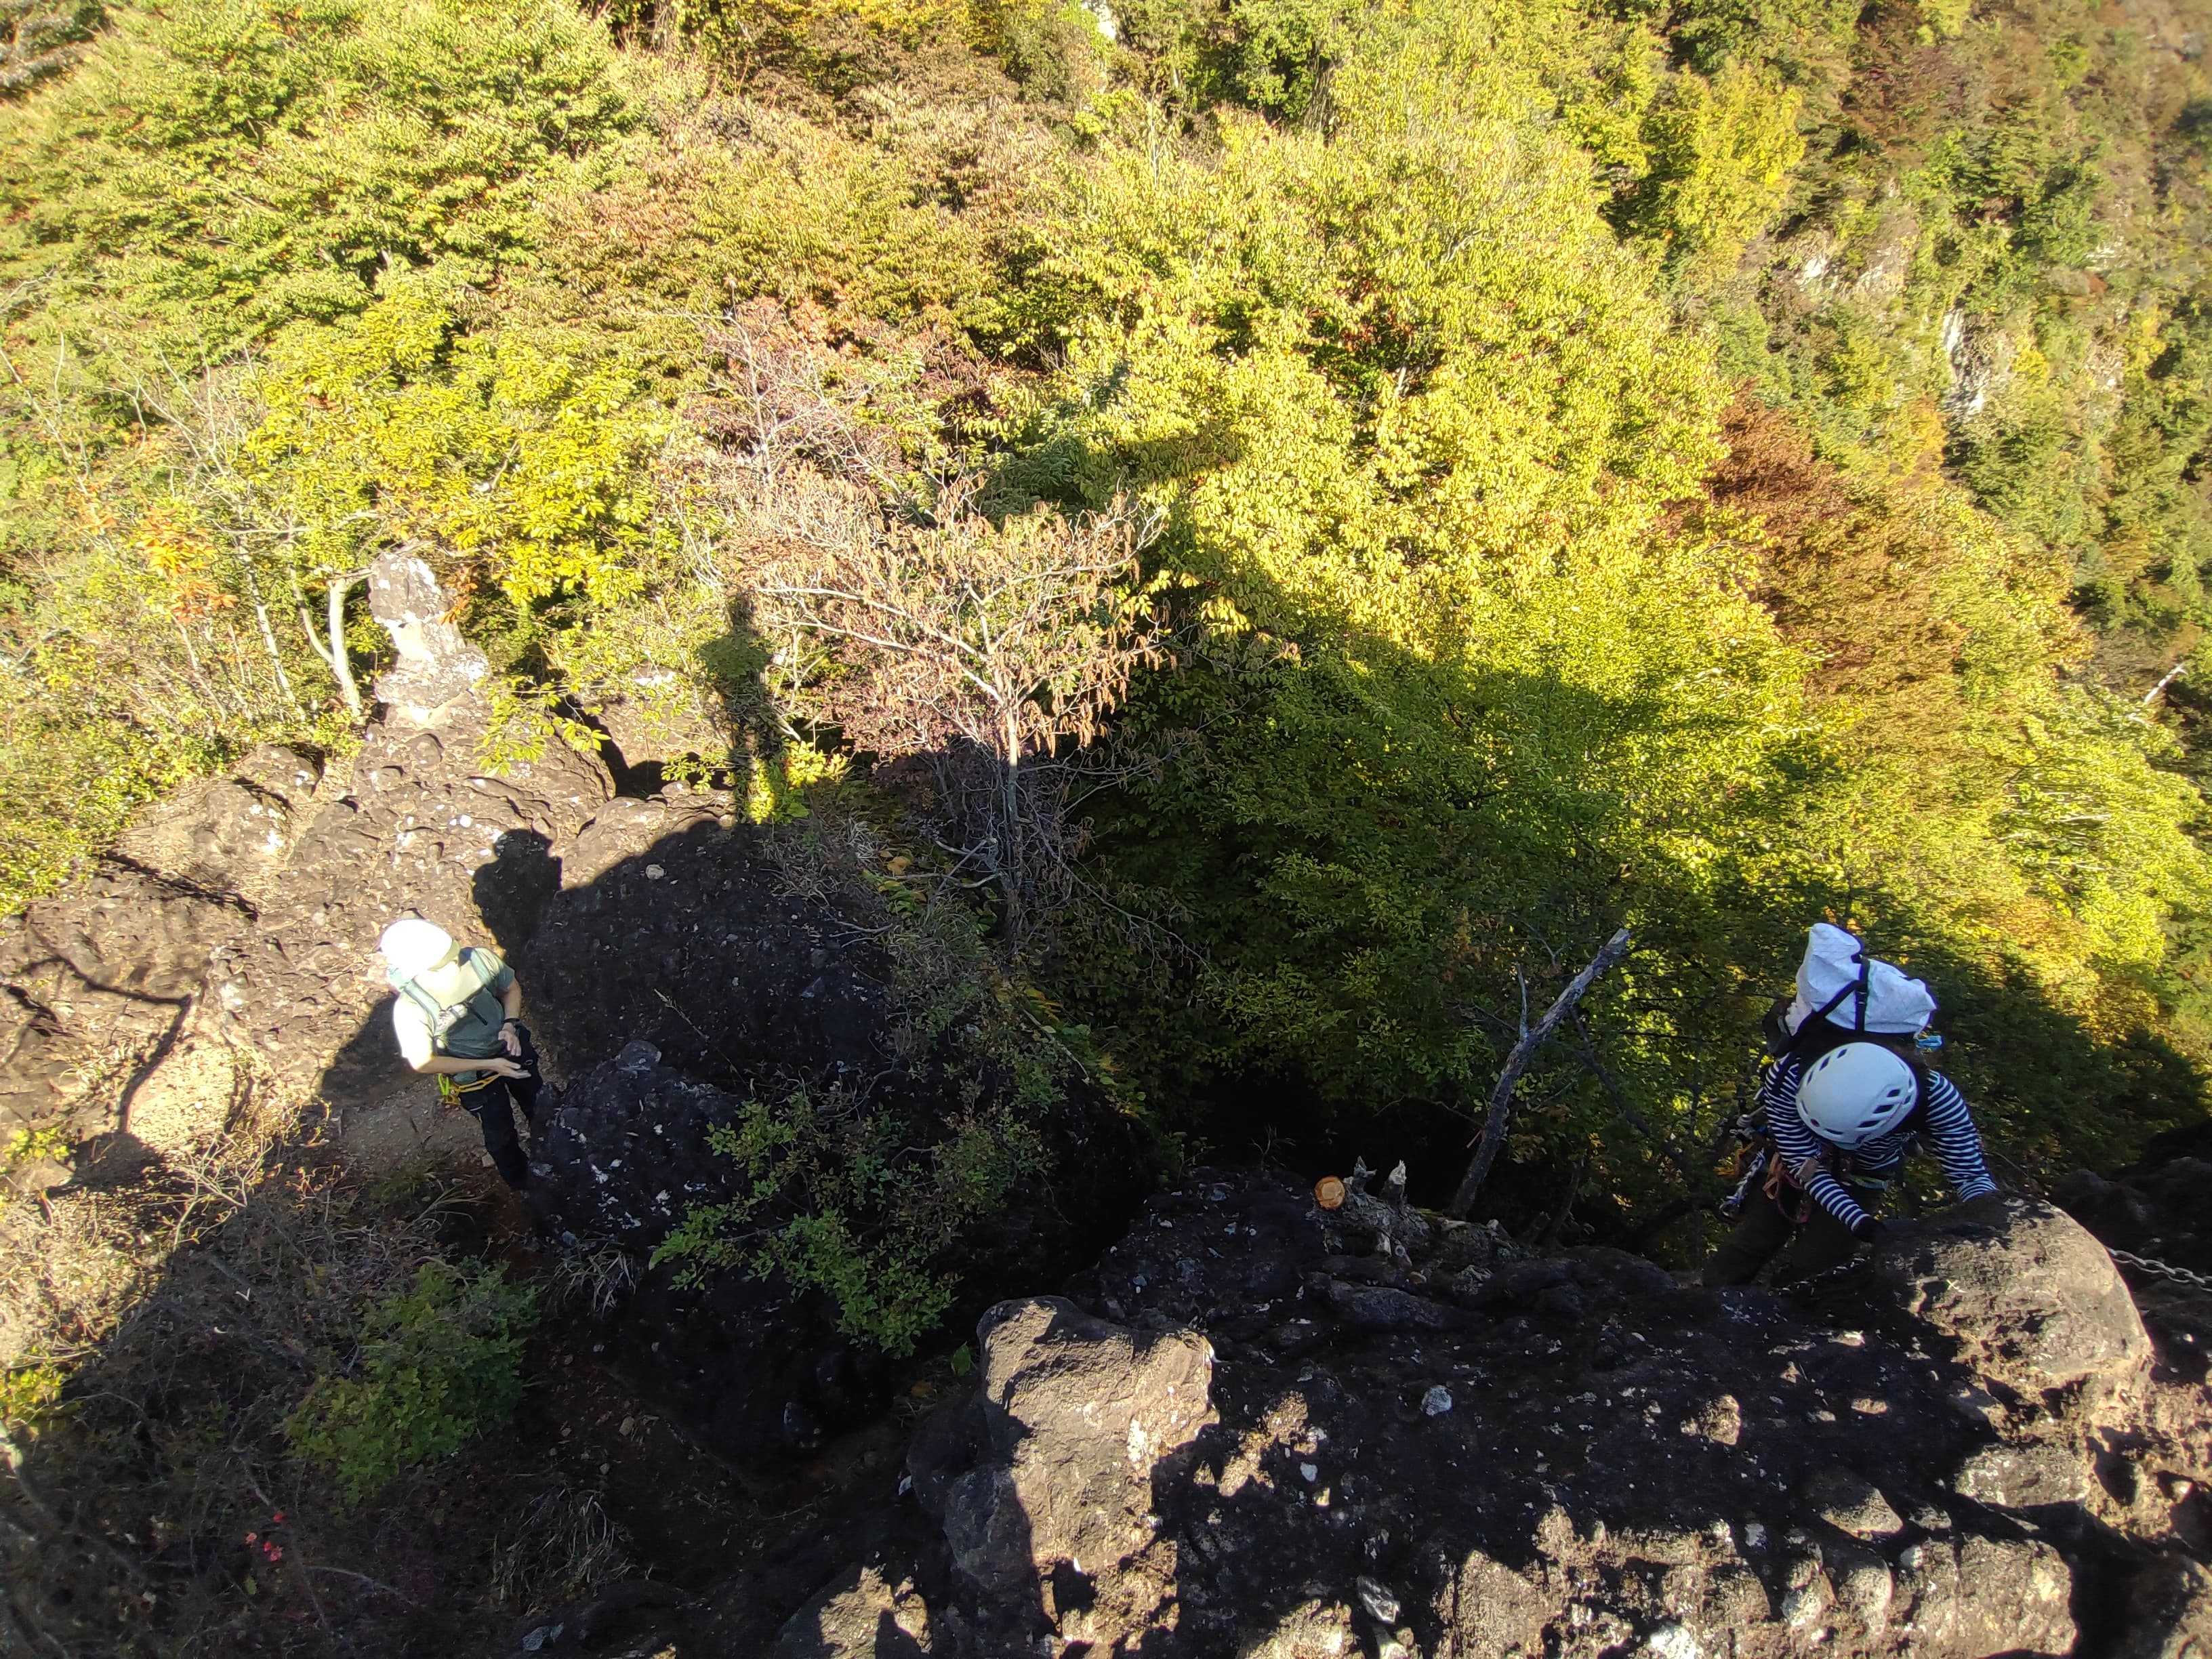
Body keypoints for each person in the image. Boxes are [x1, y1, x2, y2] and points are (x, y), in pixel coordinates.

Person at [1706, 927, 1998, 1287]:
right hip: (1795, 1165)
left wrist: (1996, 1220)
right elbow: (1803, 1164)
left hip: (1865, 1175)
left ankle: (1787, 1316)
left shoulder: (1935, 1097)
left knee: (1818, 1265)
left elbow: (1969, 1174)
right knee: (1754, 1242)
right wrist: (1863, 1224)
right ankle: (1705, 1302)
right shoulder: (1788, 1075)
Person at [377, 917, 541, 1190]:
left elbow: (510, 987)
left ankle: (556, 1151)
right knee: (500, 1134)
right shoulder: (411, 1008)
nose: (455, 964)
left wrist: (510, 1024)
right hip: (474, 1078)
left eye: (453, 955)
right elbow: (423, 1061)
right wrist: (490, 1063)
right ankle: (525, 1187)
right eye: (442, 964)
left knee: (539, 1103)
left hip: (511, 1047)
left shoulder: (478, 960)